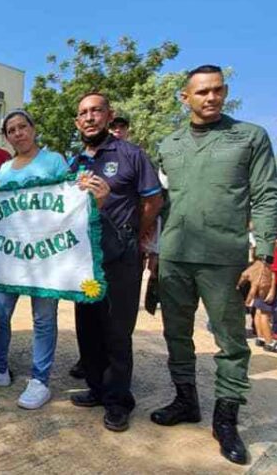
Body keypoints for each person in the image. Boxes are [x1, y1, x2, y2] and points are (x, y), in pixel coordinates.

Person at [151, 65, 277, 465]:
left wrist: (264, 260)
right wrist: (155, 254)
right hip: (174, 256)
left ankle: (226, 419)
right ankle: (185, 400)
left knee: (231, 342)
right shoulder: (168, 145)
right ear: (184, 98)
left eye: (218, 91)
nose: (211, 98)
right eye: (202, 92)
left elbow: (267, 197)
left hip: (225, 261)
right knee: (176, 334)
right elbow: (160, 204)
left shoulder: (249, 138)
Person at [68, 92, 162, 433]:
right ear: (78, 122)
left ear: (109, 116)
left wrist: (135, 233)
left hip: (120, 257)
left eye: (96, 111)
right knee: (88, 326)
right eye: (83, 113)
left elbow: (154, 200)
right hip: (84, 260)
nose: (90, 117)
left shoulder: (131, 155)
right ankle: (96, 388)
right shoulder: (75, 161)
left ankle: (118, 401)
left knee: (117, 330)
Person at [0, 110, 69, 410]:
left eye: (22, 127)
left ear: (33, 128)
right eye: (11, 130)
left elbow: (69, 201)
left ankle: (40, 379)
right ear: (7, 137)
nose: (18, 133)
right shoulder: (5, 169)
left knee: (43, 318)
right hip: (11, 254)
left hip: (45, 254)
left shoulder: (54, 160)